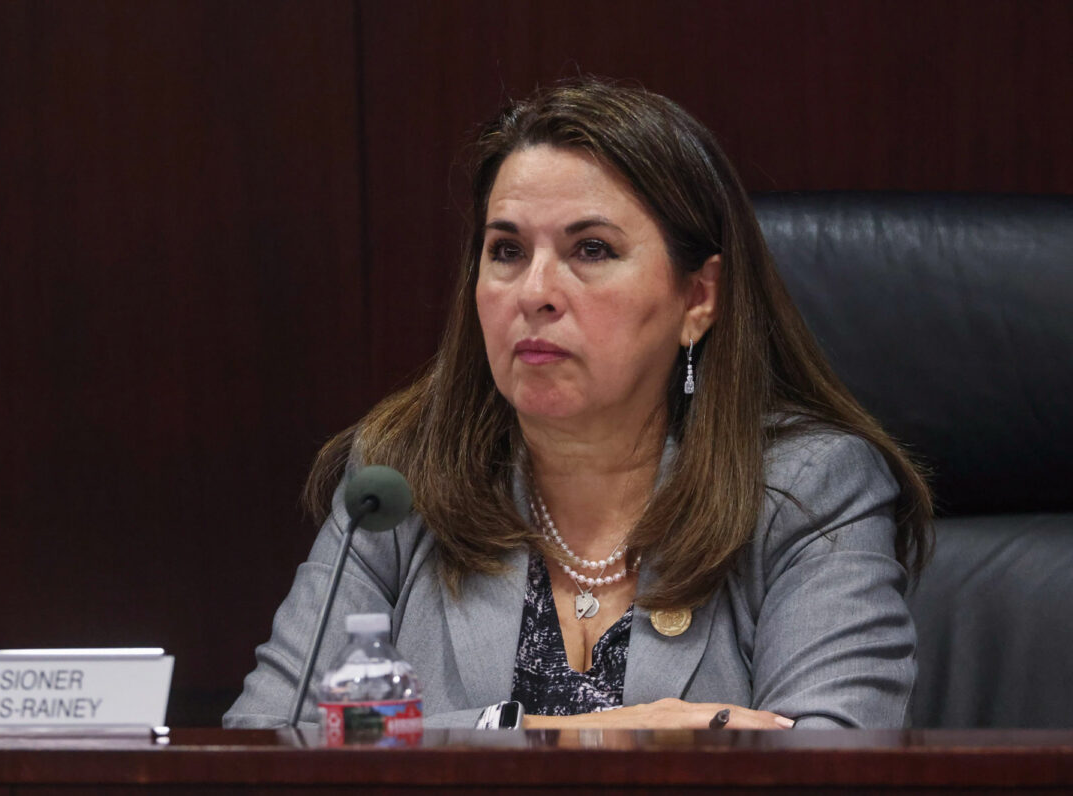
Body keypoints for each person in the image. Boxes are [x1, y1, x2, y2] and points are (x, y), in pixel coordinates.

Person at [225, 77, 932, 731]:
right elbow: (264, 746)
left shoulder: (806, 490)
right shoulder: (402, 480)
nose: (535, 291)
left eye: (590, 249)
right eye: (506, 251)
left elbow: (833, 763)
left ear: (699, 297)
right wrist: (573, 735)